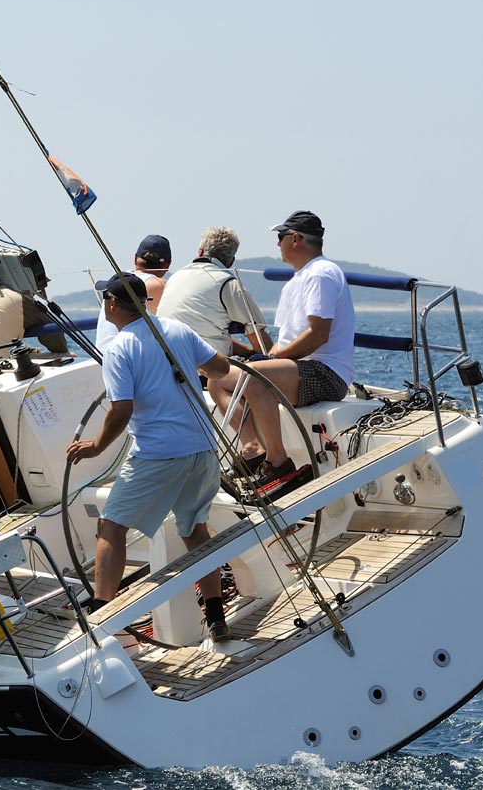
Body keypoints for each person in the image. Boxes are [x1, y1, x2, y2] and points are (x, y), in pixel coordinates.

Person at [67, 273, 233, 642]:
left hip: (159, 454)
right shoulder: (176, 329)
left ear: (111, 303)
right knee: (193, 529)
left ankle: (100, 619)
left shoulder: (119, 347)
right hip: (203, 448)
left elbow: (121, 409)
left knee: (111, 526)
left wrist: (95, 446)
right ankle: (217, 617)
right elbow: (220, 368)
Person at [208, 211, 354, 488]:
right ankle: (253, 449)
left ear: (295, 238)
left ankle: (278, 464)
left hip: (326, 372)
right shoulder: (297, 281)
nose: (277, 245)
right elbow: (285, 340)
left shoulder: (321, 274)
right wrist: (262, 358)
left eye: (280, 237)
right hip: (298, 369)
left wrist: (270, 360)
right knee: (218, 378)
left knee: (253, 376)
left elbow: (318, 335)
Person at [158, 227, 272, 358]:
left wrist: (247, 352)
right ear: (231, 261)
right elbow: (261, 343)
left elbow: (199, 332)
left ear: (200, 252)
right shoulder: (229, 284)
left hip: (166, 362)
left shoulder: (174, 277)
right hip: (206, 372)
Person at [95, 234, 173, 352]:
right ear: (167, 265)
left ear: (136, 258)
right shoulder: (159, 285)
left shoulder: (118, 280)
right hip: (127, 357)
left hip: (102, 356)